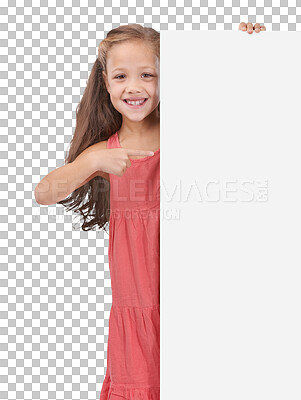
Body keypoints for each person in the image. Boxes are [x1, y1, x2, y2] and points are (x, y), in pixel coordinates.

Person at [34, 21, 266, 400]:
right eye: (121, 76)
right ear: (106, 83)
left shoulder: (190, 131)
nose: (134, 87)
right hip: (138, 311)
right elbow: (44, 193)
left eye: (148, 74)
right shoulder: (103, 150)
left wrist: (247, 52)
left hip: (201, 302)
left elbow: (247, 112)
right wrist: (90, 165)